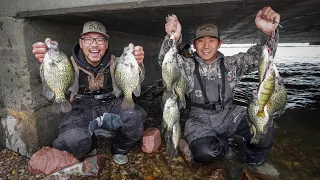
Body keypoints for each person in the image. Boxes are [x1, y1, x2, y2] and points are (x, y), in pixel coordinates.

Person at [159, 7, 280, 176]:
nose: (206, 46)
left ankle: (254, 161)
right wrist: (172, 38)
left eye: (212, 40)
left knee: (265, 123)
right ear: (194, 44)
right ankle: (225, 147)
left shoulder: (232, 64)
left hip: (230, 114)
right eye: (201, 41)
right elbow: (166, 62)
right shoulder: (187, 66)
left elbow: (262, 57)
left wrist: (268, 35)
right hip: (199, 120)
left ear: (219, 43)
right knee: (205, 153)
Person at [32, 21, 147, 165]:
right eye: (88, 39)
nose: (94, 45)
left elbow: (137, 79)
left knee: (136, 117)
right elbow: (50, 81)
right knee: (72, 140)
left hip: (111, 105)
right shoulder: (66, 63)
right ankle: (89, 143)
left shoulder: (120, 63)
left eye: (99, 40)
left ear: (106, 44)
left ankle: (119, 148)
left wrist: (138, 64)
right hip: (81, 108)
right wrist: (45, 63)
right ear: (81, 43)